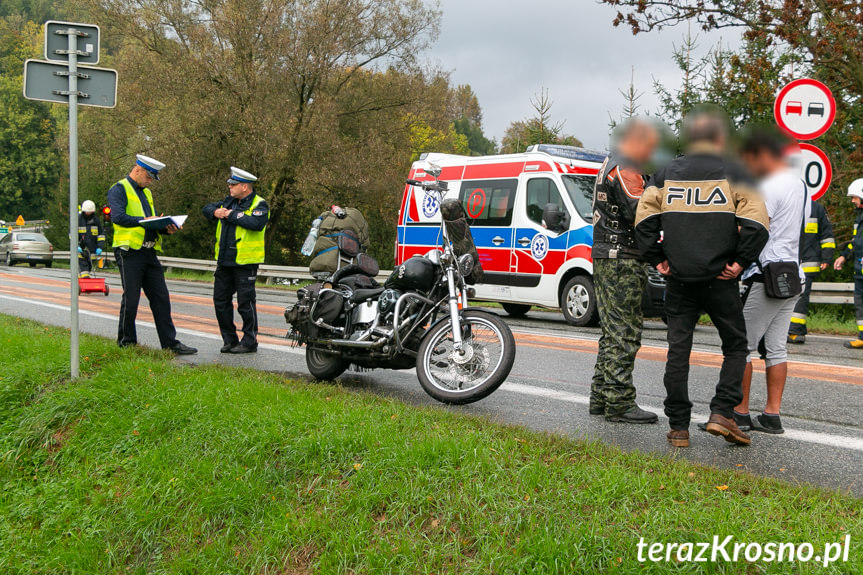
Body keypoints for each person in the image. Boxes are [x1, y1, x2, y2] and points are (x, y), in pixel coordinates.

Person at [634, 110, 769, 448]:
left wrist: (658, 259)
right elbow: (758, 224)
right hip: (720, 279)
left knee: (678, 350)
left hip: (679, 279)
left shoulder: (665, 174)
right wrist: (740, 262)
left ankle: (678, 427)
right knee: (736, 345)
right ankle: (722, 412)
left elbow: (643, 222)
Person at [726, 128, 807, 435]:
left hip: (765, 275)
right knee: (776, 348)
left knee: (742, 345)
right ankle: (772, 415)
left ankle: (740, 412)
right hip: (791, 275)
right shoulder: (798, 184)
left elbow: (755, 228)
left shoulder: (768, 187)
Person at [589, 119, 660, 423]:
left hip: (607, 255)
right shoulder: (627, 167)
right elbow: (640, 212)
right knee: (624, 332)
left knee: (610, 330)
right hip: (623, 259)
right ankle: (619, 402)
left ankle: (600, 396)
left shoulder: (609, 162)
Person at [108, 154, 197, 354]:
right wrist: (146, 220)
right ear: (137, 170)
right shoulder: (119, 189)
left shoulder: (146, 193)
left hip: (149, 251)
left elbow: (151, 221)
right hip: (129, 251)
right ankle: (126, 343)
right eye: (149, 177)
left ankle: (170, 343)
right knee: (131, 299)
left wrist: (166, 227)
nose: (150, 182)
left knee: (161, 298)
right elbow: (118, 217)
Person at [202, 167, 269, 354]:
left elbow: (255, 224)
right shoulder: (228, 201)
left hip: (245, 263)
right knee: (220, 301)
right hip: (224, 261)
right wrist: (216, 212)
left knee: (245, 304)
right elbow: (206, 208)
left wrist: (231, 214)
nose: (230, 187)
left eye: (233, 184)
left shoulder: (259, 204)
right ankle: (229, 340)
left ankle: (249, 341)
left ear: (245, 186)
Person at [787, 197, 834, 344]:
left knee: (800, 297)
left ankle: (795, 331)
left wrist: (826, 258)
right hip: (791, 261)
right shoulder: (790, 205)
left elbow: (826, 236)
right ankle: (792, 330)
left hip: (805, 262)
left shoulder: (816, 208)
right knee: (793, 297)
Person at [833, 178, 863, 349]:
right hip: (859, 270)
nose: (852, 201)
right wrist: (844, 256)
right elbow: (855, 242)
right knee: (860, 304)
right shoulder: (859, 217)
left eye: (854, 197)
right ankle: (862, 336)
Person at [77, 200, 105, 278]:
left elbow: (101, 235)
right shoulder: (78, 220)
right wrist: (76, 246)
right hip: (81, 250)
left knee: (88, 268)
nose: (88, 214)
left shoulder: (96, 220)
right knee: (84, 269)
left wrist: (100, 247)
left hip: (92, 250)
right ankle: (84, 282)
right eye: (87, 212)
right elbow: (72, 234)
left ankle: (82, 282)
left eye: (90, 212)